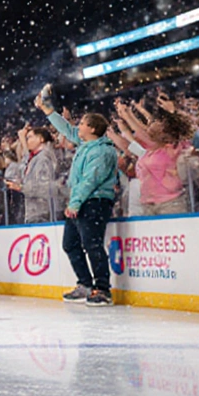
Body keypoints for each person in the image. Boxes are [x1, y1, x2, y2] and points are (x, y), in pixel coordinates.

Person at [36, 90, 118, 306]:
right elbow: (67, 129)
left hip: (94, 202)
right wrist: (48, 111)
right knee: (71, 244)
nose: (78, 126)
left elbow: (91, 180)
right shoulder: (86, 145)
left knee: (92, 244)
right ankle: (85, 284)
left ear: (91, 128)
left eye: (82, 123)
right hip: (81, 201)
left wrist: (75, 202)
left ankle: (102, 289)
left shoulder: (102, 151)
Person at [8, 125, 63, 223]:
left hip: (44, 212)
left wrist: (21, 187)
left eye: (29, 137)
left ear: (41, 139)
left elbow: (46, 187)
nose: (27, 141)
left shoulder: (44, 158)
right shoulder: (35, 158)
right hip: (35, 211)